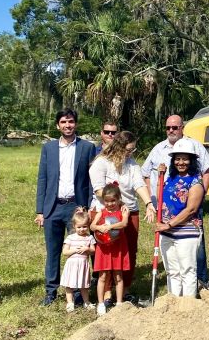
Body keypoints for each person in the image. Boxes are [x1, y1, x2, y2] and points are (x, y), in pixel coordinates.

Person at [141, 114, 209, 285]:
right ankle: (176, 286)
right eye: (168, 128)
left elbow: (208, 170)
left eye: (175, 127)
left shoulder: (195, 146)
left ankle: (200, 279)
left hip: (190, 205)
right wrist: (154, 198)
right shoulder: (159, 148)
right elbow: (145, 173)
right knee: (170, 248)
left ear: (182, 128)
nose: (171, 130)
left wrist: (199, 193)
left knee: (194, 246)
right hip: (166, 206)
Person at [35, 109, 97, 306]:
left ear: (75, 124)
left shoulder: (87, 147)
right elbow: (42, 179)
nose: (67, 125)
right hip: (53, 206)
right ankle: (50, 291)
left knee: (79, 249)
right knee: (53, 251)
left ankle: (79, 291)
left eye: (70, 122)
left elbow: (91, 179)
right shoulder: (49, 148)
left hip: (76, 207)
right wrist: (40, 210)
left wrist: (86, 207)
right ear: (57, 125)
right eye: (63, 122)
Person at [90, 131, 156, 300]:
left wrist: (148, 203)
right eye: (129, 149)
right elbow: (99, 190)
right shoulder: (101, 163)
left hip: (129, 212)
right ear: (118, 147)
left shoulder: (132, 164)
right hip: (108, 212)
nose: (131, 153)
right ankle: (107, 291)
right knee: (108, 250)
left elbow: (139, 184)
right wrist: (118, 205)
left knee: (128, 251)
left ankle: (124, 289)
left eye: (133, 150)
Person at [155, 139, 206, 298]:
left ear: (191, 160)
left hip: (186, 232)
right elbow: (161, 198)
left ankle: (188, 307)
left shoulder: (195, 181)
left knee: (187, 270)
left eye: (185, 159)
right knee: (172, 270)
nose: (181, 162)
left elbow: (191, 209)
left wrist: (168, 225)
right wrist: (160, 178)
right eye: (177, 158)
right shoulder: (170, 178)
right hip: (167, 232)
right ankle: (174, 302)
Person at [90, 183, 129, 315]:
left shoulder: (123, 210)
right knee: (103, 276)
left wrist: (110, 227)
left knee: (118, 275)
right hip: (104, 248)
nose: (110, 204)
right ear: (103, 201)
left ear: (118, 199)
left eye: (113, 201)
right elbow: (92, 226)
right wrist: (99, 227)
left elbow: (124, 223)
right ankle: (101, 303)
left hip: (118, 247)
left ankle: (119, 302)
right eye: (107, 201)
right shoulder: (101, 212)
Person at [60, 210, 95, 313]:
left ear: (88, 225)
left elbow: (93, 251)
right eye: (79, 227)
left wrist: (87, 249)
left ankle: (86, 302)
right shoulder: (70, 238)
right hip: (72, 264)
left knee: (84, 285)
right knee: (69, 285)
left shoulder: (89, 238)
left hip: (83, 265)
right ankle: (70, 302)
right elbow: (65, 252)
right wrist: (74, 250)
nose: (82, 229)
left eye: (84, 226)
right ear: (74, 226)